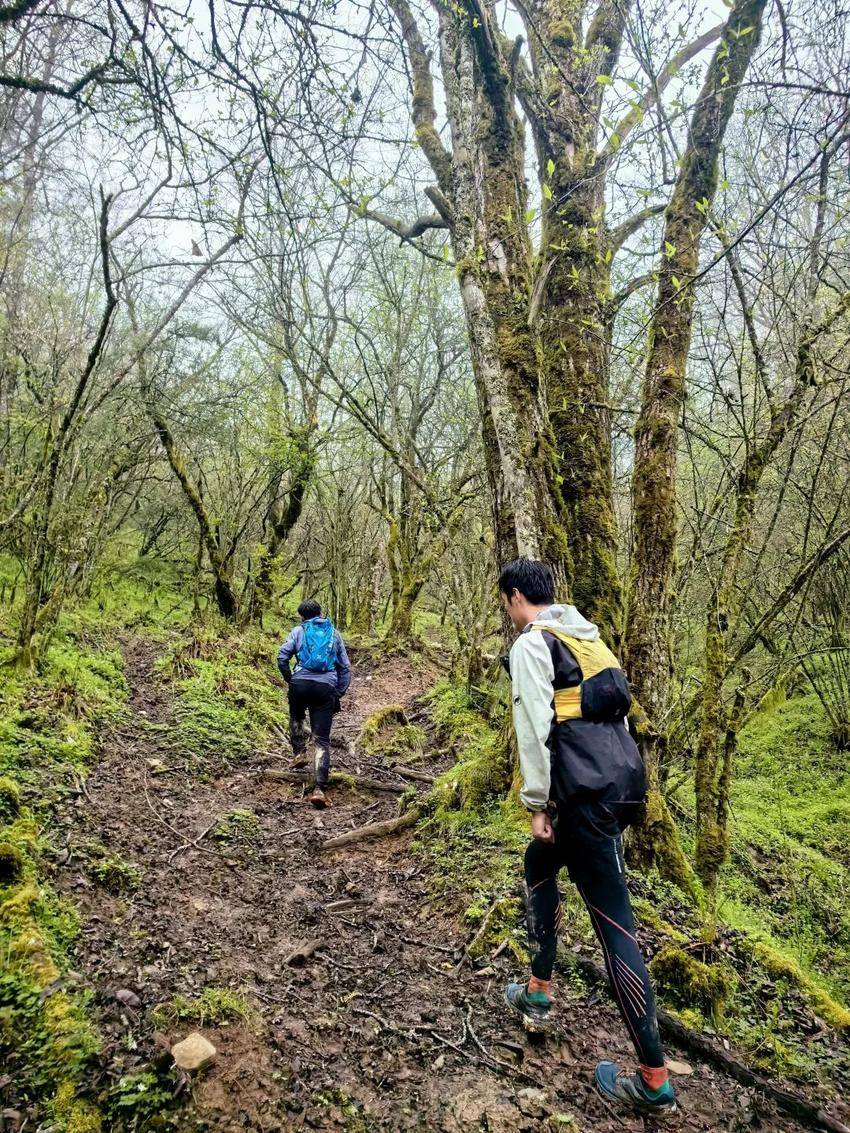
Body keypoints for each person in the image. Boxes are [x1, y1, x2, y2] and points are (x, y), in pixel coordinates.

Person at [499, 557, 677, 1117]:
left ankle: (654, 1081)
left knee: (615, 923)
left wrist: (537, 804)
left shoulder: (533, 644)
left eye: (506, 602)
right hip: (621, 787)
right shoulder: (590, 640)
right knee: (539, 865)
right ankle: (538, 989)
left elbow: (533, 726)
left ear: (514, 597)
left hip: (583, 797)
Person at [277, 599, 351, 808]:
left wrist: (290, 678)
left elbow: (282, 657)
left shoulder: (298, 631)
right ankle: (319, 789)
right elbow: (345, 667)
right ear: (320, 613)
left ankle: (299, 753)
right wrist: (338, 692)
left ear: (302, 616)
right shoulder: (334, 634)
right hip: (325, 687)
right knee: (321, 740)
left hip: (299, 683)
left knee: (297, 717)